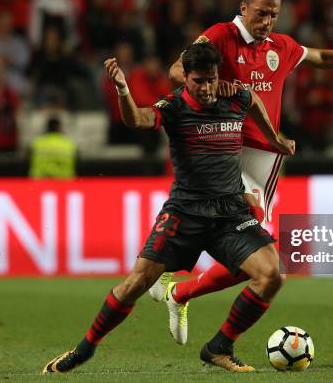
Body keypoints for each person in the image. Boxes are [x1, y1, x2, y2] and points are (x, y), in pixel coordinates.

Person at [150, 0, 333, 344]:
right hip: (220, 148)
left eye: (273, 14)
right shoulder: (221, 36)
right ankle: (176, 282)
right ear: (243, 8)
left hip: (263, 160)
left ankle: (179, 292)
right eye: (260, 13)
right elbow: (178, 69)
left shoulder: (280, 47)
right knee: (250, 246)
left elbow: (321, 56)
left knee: (253, 253)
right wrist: (211, 86)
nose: (266, 21)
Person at [43, 42, 295, 374]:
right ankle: (84, 349)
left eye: (211, 79)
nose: (206, 89)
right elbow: (137, 119)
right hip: (184, 213)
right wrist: (123, 90)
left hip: (229, 214)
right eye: (198, 82)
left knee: (273, 274)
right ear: (184, 79)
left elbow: (255, 102)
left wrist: (274, 139)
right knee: (136, 283)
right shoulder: (175, 106)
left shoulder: (235, 96)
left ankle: (219, 347)